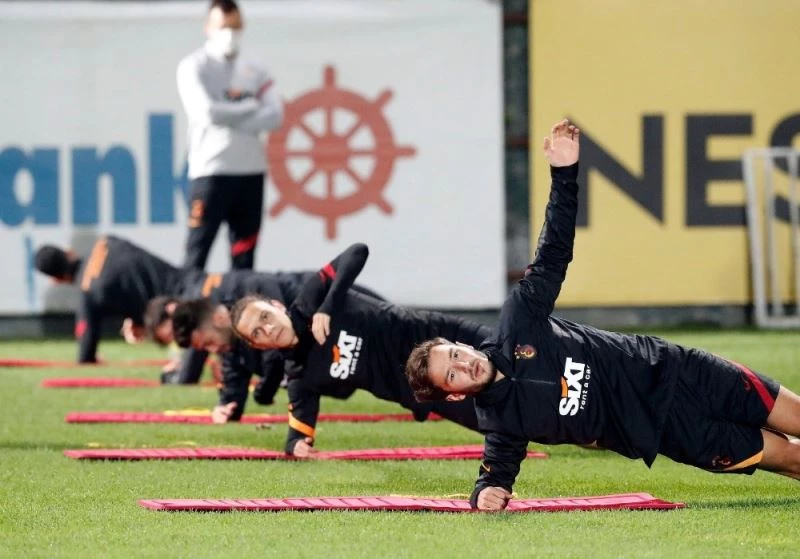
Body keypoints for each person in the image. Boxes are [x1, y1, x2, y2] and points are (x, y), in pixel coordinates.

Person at [404, 119, 800, 511]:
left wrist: (564, 174)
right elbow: (495, 473)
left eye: (455, 354)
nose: (465, 364)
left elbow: (553, 252)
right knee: (790, 458)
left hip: (679, 370)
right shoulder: (501, 421)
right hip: (673, 432)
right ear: (454, 394)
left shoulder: (518, 320)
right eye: (452, 374)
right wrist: (486, 492)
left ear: (461, 344)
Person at [225, 243, 492, 457]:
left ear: (276, 306)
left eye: (265, 316)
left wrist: (327, 306)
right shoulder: (299, 375)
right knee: (503, 427)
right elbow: (297, 433)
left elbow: (357, 251)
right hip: (428, 390)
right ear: (257, 345)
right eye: (257, 332)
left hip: (442, 338)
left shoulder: (310, 298)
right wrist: (296, 446)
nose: (268, 328)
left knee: (512, 359)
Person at [176, 0, 283, 271]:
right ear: (208, 27)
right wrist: (248, 107)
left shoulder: (256, 69)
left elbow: (275, 116)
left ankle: (240, 301)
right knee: (196, 256)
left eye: (235, 26)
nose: (230, 33)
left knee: (244, 261)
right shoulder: (194, 66)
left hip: (250, 173)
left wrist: (229, 116)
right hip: (211, 172)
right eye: (223, 26)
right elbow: (207, 113)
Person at [34, 236, 185, 363]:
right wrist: (136, 321)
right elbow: (135, 274)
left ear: (56, 281)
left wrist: (140, 324)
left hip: (179, 321)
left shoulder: (87, 295)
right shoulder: (106, 241)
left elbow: (85, 355)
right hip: (188, 283)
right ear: (69, 252)